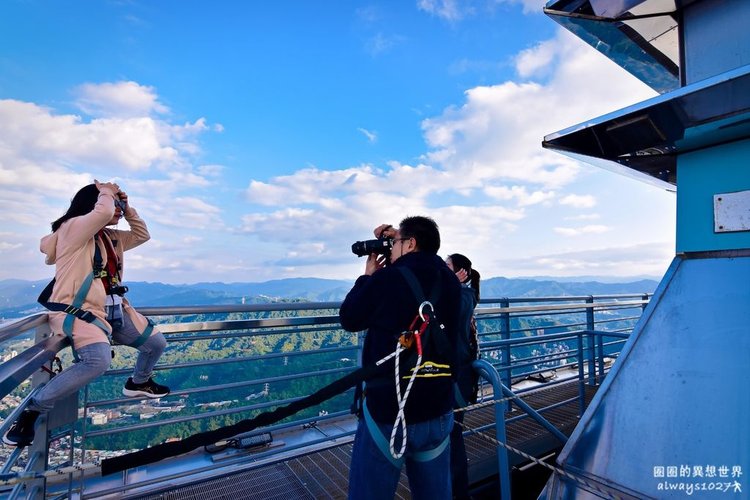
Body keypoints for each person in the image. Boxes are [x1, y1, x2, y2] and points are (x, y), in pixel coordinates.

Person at [3, 181, 170, 448]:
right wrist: (106, 190)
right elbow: (102, 214)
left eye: (118, 205)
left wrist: (127, 208)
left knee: (155, 343)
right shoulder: (71, 230)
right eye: (114, 204)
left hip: (113, 308)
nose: (115, 209)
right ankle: (33, 409)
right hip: (78, 312)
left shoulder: (109, 237)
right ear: (95, 203)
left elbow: (142, 235)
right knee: (97, 361)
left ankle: (139, 382)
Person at [340, 216, 461, 500]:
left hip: (389, 412)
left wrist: (367, 277)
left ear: (410, 243)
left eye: (395, 243)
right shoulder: (451, 282)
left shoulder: (387, 279)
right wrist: (398, 239)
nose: (391, 248)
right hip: (439, 407)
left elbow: (350, 317)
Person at [445, 253, 481, 499]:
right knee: (448, 435)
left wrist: (451, 286)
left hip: (457, 376)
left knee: (453, 435)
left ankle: (458, 492)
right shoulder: (457, 294)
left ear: (460, 272)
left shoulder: (464, 296)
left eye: (447, 267)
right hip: (452, 374)